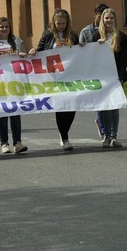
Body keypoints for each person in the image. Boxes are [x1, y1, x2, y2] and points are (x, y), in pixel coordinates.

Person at [29, 9, 79, 151]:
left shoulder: (73, 35)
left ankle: (64, 130)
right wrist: (34, 51)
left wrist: (82, 46)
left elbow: (79, 53)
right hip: (53, 77)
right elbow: (40, 50)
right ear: (54, 22)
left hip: (70, 76)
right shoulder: (48, 35)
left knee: (72, 106)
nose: (61, 26)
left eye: (63, 23)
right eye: (58, 23)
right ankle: (64, 137)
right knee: (61, 106)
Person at [0, 17, 28, 154]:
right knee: (2, 113)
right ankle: (4, 143)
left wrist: (23, 54)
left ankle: (17, 142)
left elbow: (25, 57)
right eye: (1, 27)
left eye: (7, 27)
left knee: (15, 112)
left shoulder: (17, 41)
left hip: (14, 81)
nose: (4, 29)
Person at [91, 8, 127, 147]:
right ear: (102, 20)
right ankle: (106, 136)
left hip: (116, 77)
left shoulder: (120, 37)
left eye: (111, 18)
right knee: (105, 106)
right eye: (106, 18)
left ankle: (114, 136)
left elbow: (123, 59)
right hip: (101, 78)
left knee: (115, 106)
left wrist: (120, 77)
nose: (109, 21)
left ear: (115, 20)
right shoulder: (96, 36)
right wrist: (96, 45)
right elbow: (88, 55)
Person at [79, 2, 109, 139]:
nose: (103, 18)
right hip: (93, 71)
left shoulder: (110, 30)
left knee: (110, 103)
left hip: (108, 71)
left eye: (105, 16)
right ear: (94, 15)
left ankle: (110, 130)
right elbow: (78, 52)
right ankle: (104, 130)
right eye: (100, 15)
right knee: (100, 102)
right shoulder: (86, 31)